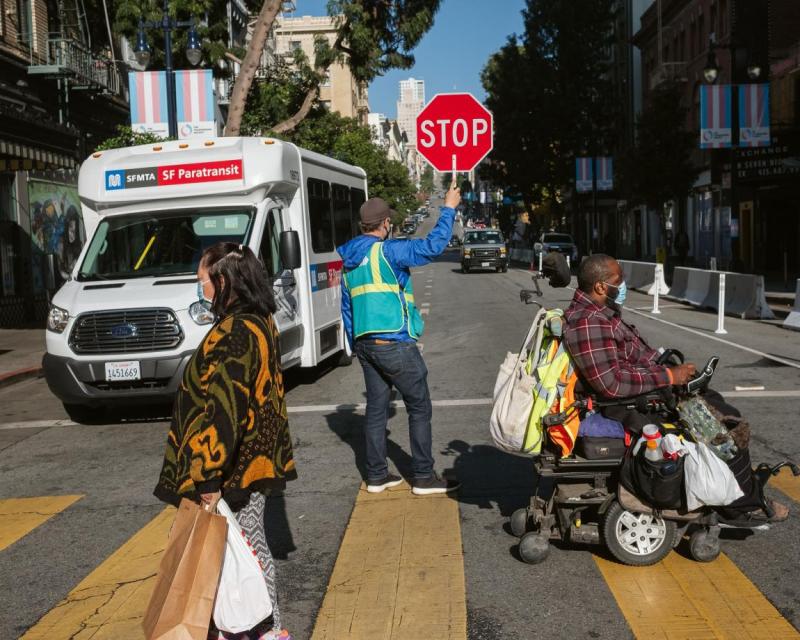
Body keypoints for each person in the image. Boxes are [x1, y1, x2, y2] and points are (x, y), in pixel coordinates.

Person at [563, 254, 788, 522]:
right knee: (723, 426)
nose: (621, 285)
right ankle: (742, 505)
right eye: (618, 281)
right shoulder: (589, 322)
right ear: (600, 286)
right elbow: (612, 384)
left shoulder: (601, 314)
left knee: (715, 402)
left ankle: (740, 490)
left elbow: (634, 354)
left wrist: (667, 365)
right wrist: (669, 376)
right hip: (623, 405)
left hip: (639, 391)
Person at [154, 242, 297, 639]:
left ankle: (267, 630)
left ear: (223, 280)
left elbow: (223, 409)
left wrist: (208, 479)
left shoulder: (236, 330)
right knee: (245, 550)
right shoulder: (259, 319)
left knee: (246, 553)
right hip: (252, 460)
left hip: (235, 469)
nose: (200, 289)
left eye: (203, 280)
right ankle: (261, 629)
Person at [337, 186, 462, 495]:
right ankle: (422, 476)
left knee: (377, 410)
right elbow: (433, 246)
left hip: (366, 344)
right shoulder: (388, 250)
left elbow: (347, 308)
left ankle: (377, 476)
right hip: (394, 340)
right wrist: (448, 208)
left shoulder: (349, 260)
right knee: (419, 406)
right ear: (385, 224)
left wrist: (357, 347)